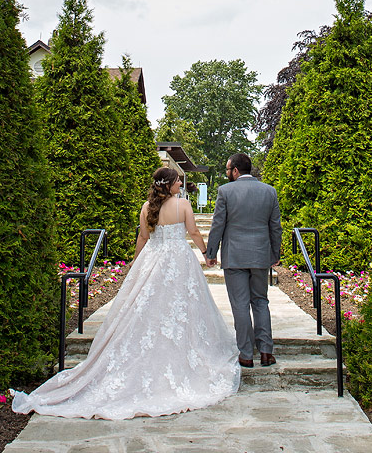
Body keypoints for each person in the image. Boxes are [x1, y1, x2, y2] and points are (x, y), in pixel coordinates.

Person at [12, 166, 240, 419]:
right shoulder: (182, 205)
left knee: (150, 306)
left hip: (154, 259)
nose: (180, 184)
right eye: (177, 181)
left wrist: (135, 263)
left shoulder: (146, 207)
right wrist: (207, 254)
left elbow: (143, 238)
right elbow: (194, 232)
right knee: (182, 305)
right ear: (169, 184)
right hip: (178, 260)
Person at [205, 152, 282, 368]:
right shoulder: (269, 191)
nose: (227, 173)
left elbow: (217, 225)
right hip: (260, 256)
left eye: (228, 169)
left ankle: (246, 354)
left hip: (235, 257)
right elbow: (275, 226)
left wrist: (211, 253)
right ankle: (266, 352)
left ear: (236, 171)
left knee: (240, 305)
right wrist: (274, 254)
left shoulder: (225, 191)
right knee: (260, 301)